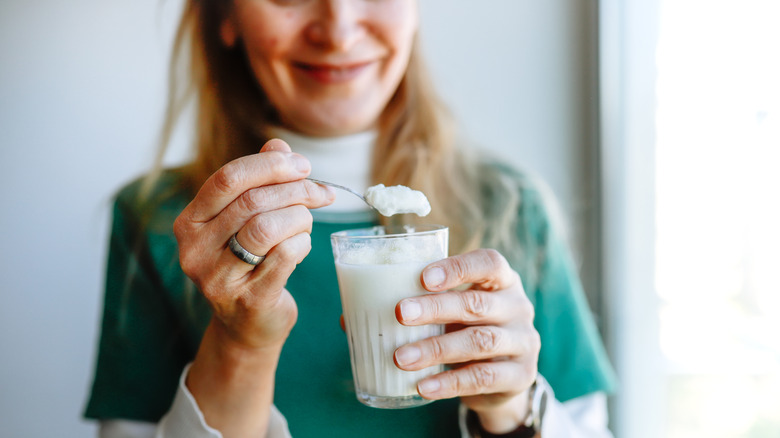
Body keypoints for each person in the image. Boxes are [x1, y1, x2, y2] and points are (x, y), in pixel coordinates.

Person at [84, 1, 617, 437]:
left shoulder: (511, 206)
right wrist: (240, 342)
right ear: (225, 16)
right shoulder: (166, 220)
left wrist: (511, 408)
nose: (338, 30)